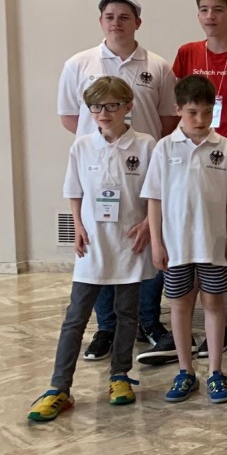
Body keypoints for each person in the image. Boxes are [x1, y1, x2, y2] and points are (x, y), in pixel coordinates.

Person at [56, 0, 179, 365]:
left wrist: (131, 147)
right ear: (101, 21)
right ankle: (106, 328)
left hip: (142, 171)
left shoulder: (157, 65)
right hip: (97, 175)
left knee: (145, 242)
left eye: (124, 16)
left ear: (137, 22)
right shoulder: (79, 63)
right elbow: (69, 117)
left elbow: (167, 119)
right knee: (101, 247)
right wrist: (103, 145)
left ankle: (149, 322)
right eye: (109, 16)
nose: (116, 22)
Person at [28, 77, 156, 421]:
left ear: (128, 106)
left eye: (112, 105)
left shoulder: (146, 145)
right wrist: (78, 226)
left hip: (130, 243)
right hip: (93, 244)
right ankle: (59, 387)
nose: (103, 112)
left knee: (127, 314)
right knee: (76, 317)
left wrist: (147, 223)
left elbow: (156, 193)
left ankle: (120, 375)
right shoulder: (82, 146)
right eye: (96, 106)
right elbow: (74, 191)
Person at [163, 0, 227, 362]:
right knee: (190, 243)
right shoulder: (187, 52)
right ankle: (188, 336)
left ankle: (223, 322)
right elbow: (178, 104)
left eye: (217, 9)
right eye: (203, 9)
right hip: (190, 155)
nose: (210, 16)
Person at [142, 75, 227, 404]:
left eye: (207, 112)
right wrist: (157, 243)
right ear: (178, 110)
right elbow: (154, 199)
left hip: (212, 244)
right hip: (176, 245)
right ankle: (185, 371)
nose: (200, 119)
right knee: (180, 305)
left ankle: (215, 371)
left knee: (213, 304)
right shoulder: (164, 147)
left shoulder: (224, 147)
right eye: (192, 112)